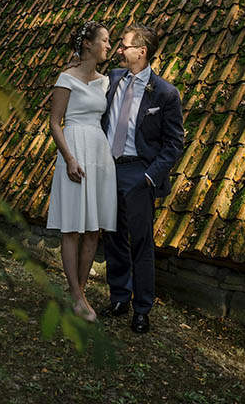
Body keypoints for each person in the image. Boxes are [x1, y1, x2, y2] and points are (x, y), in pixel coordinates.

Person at [98, 24, 184, 334]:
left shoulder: (165, 93)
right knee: (113, 237)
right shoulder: (112, 80)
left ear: (141, 52)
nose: (119, 50)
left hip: (139, 174)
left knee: (142, 243)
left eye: (124, 45)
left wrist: (149, 178)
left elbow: (174, 143)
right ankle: (119, 296)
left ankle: (142, 308)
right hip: (108, 169)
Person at [47, 21, 117, 322]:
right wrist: (70, 159)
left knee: (93, 229)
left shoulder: (106, 81)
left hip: (99, 152)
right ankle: (76, 295)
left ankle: (80, 294)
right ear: (87, 44)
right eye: (105, 40)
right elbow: (54, 123)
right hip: (73, 149)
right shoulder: (66, 78)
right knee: (72, 227)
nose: (109, 46)